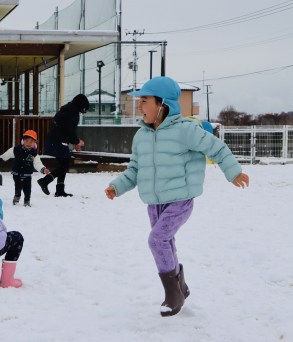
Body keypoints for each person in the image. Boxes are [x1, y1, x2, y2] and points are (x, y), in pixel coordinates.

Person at [104, 76, 250, 317]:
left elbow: (216, 148)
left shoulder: (186, 130)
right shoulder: (141, 136)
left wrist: (233, 172)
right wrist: (117, 187)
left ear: (163, 104)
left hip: (180, 200)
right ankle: (180, 286)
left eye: (144, 101)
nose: (139, 106)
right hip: (154, 203)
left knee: (157, 241)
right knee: (166, 242)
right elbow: (135, 170)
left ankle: (172, 296)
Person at [38, 94, 89, 197]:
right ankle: (45, 181)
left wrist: (75, 141)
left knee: (64, 163)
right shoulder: (73, 112)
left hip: (54, 139)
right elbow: (70, 130)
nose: (83, 110)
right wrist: (77, 142)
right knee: (65, 165)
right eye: (84, 107)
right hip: (58, 141)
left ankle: (59, 190)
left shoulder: (67, 109)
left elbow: (66, 129)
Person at [0, 130, 50, 207]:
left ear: (34, 143)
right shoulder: (16, 149)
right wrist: (4, 158)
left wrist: (43, 169)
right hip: (17, 173)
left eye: (31, 142)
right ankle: (17, 196)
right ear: (23, 140)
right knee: (18, 186)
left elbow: (37, 163)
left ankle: (27, 200)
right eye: (27, 141)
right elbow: (7, 154)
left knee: (27, 189)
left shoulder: (34, 154)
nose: (28, 143)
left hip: (27, 174)